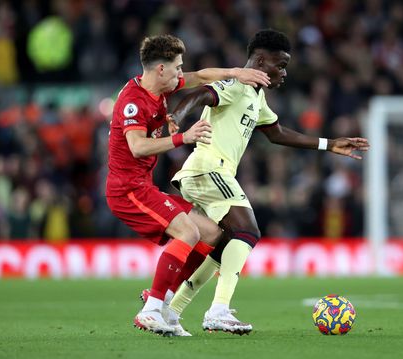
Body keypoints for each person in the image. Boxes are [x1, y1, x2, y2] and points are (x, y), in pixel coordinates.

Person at [142, 29, 369, 335]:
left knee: (223, 242)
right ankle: (218, 310)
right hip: (208, 170)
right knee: (248, 229)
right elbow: (202, 93)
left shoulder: (256, 96)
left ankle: (173, 310)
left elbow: (277, 134)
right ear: (261, 60)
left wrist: (329, 144)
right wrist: (177, 117)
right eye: (281, 64)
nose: (284, 72)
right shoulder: (237, 83)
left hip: (213, 174)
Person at [106, 34, 270, 337]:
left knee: (211, 233)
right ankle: (152, 309)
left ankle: (165, 300)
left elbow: (202, 75)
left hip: (143, 186)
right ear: (160, 70)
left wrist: (236, 72)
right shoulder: (132, 101)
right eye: (178, 67)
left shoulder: (161, 85)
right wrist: (185, 137)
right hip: (127, 189)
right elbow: (138, 148)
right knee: (188, 231)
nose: (182, 73)